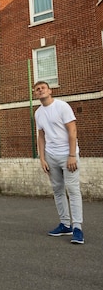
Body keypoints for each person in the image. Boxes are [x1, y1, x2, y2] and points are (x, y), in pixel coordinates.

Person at [34, 80, 84, 244]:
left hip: (68, 155)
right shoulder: (38, 113)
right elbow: (41, 137)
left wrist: (71, 155)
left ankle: (77, 228)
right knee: (58, 189)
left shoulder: (62, 106)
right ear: (35, 94)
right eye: (37, 89)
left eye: (43, 88)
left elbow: (72, 130)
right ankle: (65, 224)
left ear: (50, 91)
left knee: (73, 189)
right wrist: (42, 158)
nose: (40, 90)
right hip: (51, 156)